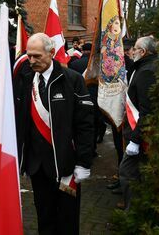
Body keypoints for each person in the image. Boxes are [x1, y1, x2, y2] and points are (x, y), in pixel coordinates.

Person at [14, 33, 94, 235]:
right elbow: (20, 120)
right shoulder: (26, 79)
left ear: (51, 53)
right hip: (37, 165)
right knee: (45, 218)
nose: (31, 61)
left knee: (67, 221)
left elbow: (85, 124)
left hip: (65, 164)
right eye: (29, 55)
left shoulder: (72, 80)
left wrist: (84, 162)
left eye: (37, 56)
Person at [119, 36, 158, 210]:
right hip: (139, 132)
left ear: (143, 52)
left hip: (141, 135)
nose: (131, 51)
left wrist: (135, 140)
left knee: (128, 173)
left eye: (134, 48)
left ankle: (132, 214)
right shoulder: (143, 67)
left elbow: (147, 109)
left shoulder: (147, 71)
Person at [69, 43, 106, 155]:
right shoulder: (99, 64)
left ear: (82, 50)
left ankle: (79, 149)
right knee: (92, 125)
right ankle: (92, 149)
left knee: (79, 126)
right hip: (95, 98)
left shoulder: (74, 63)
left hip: (78, 99)